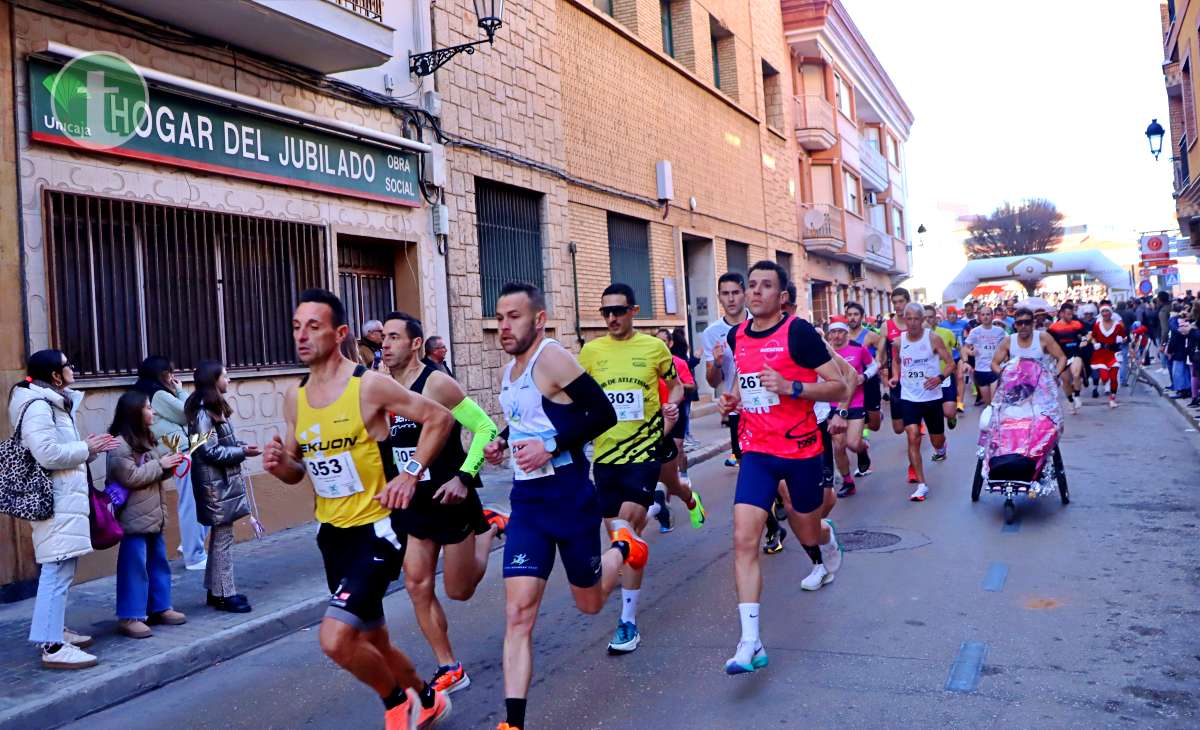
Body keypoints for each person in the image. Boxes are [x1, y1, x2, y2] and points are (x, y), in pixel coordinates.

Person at [261, 288, 456, 730]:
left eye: (314, 326)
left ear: (340, 332)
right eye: (297, 327)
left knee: (335, 639)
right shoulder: (297, 397)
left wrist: (408, 475)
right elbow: (297, 471)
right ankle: (426, 698)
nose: (303, 335)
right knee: (374, 641)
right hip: (333, 534)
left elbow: (439, 419)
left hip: (378, 529)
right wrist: (280, 465)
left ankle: (395, 703)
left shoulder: (368, 385)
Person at [483, 282, 645, 730]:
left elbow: (603, 414)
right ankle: (513, 722)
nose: (504, 326)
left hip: (570, 497)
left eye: (513, 316)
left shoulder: (551, 357)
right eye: (499, 317)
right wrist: (501, 443)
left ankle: (624, 548)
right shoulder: (510, 370)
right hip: (529, 502)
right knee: (518, 613)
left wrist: (550, 446)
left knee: (591, 603)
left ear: (538, 319)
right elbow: (523, 424)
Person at [719, 261, 852, 674]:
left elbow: (840, 384)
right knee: (744, 539)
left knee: (807, 527)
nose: (754, 292)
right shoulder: (735, 334)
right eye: (751, 285)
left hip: (801, 450)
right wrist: (734, 398)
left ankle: (826, 542)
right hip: (757, 450)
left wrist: (792, 387)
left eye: (765, 287)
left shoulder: (798, 333)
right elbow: (746, 377)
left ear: (781, 298)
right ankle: (750, 641)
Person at [379, 311, 503, 695]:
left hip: (450, 496)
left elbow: (486, 429)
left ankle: (489, 529)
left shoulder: (436, 384)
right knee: (416, 585)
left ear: (415, 344)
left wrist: (465, 477)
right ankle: (449, 666)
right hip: (413, 502)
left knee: (459, 590)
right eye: (383, 337)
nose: (385, 343)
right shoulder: (380, 389)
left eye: (394, 337)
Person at [579, 282, 693, 653]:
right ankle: (662, 503)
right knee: (618, 536)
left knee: (624, 536)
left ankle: (627, 621)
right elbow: (575, 396)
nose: (611, 318)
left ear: (634, 311)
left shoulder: (654, 347)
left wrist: (671, 404)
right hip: (606, 458)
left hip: (644, 453)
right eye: (605, 312)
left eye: (618, 311)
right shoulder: (591, 352)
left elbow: (676, 386)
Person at [7, 350, 119, 669]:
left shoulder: (55, 403)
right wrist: (87, 447)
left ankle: (54, 631)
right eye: (68, 365)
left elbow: (63, 455)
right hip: (54, 501)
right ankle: (53, 647)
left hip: (64, 500)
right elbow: (46, 453)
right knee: (56, 572)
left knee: (62, 570)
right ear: (56, 375)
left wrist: (89, 451)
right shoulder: (39, 406)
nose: (73, 369)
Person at [107, 391, 188, 639]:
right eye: (148, 408)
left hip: (154, 514)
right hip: (133, 517)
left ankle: (160, 607)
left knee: (158, 563)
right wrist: (160, 465)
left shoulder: (146, 439)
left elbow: (151, 474)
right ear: (134, 413)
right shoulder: (120, 445)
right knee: (134, 566)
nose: (153, 412)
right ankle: (130, 615)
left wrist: (168, 465)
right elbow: (130, 477)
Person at [187, 360, 260, 614]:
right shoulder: (202, 412)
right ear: (213, 380)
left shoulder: (211, 409)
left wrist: (242, 447)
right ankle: (224, 593)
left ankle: (216, 590)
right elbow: (208, 450)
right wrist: (241, 452)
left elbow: (221, 443)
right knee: (223, 539)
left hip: (220, 482)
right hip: (215, 485)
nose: (228, 380)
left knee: (221, 537)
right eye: (225, 376)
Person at [132, 357, 208, 571]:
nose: (173, 377)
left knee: (200, 501)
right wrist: (181, 391)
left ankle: (191, 545)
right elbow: (188, 413)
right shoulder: (158, 395)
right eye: (170, 372)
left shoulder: (148, 392)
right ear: (160, 374)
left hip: (177, 451)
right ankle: (194, 556)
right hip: (180, 452)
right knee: (192, 503)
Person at [889, 303, 954, 501]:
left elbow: (951, 363)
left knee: (937, 439)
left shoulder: (932, 338)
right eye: (909, 319)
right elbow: (896, 362)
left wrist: (940, 378)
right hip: (909, 397)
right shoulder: (899, 342)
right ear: (905, 320)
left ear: (922, 320)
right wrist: (894, 376)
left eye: (916, 319)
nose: (913, 323)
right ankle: (922, 484)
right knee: (913, 435)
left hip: (932, 397)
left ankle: (941, 448)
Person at [650, 327, 706, 534]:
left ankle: (690, 499)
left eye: (664, 342)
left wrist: (678, 385)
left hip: (674, 416)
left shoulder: (678, 363)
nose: (659, 345)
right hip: (651, 422)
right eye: (657, 341)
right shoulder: (647, 363)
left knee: (670, 480)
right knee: (650, 476)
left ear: (670, 344)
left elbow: (690, 386)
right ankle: (663, 509)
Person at [702, 273, 749, 468]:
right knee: (747, 465)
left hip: (767, 405)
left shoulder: (760, 321)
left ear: (744, 294)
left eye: (736, 292)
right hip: (737, 410)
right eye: (725, 293)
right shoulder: (711, 333)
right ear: (719, 296)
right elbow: (713, 382)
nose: (731, 298)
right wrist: (718, 363)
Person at [825, 316, 873, 497]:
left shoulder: (858, 349)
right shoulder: (825, 353)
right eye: (833, 332)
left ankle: (862, 450)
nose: (836, 336)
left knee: (853, 443)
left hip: (856, 401)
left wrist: (865, 377)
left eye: (840, 332)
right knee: (838, 446)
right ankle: (848, 482)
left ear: (846, 333)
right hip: (832, 404)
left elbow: (873, 365)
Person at [845, 302, 883, 468]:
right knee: (850, 423)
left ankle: (874, 416)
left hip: (868, 381)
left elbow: (882, 344)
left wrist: (880, 361)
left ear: (861, 317)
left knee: (874, 425)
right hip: (850, 385)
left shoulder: (869, 336)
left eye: (855, 314)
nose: (852, 318)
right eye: (849, 315)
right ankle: (861, 449)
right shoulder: (842, 336)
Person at [962, 304, 1006, 407]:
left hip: (995, 369)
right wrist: (970, 353)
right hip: (981, 370)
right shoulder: (975, 331)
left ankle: (997, 421)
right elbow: (965, 348)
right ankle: (990, 420)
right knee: (988, 404)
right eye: (983, 314)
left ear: (992, 315)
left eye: (988, 314)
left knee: (995, 402)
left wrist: (1005, 358)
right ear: (979, 316)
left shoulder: (1000, 331)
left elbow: (1005, 347)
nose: (985, 317)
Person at [883, 288, 913, 440]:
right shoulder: (886, 325)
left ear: (908, 301)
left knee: (911, 429)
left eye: (901, 301)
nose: (898, 305)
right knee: (898, 428)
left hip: (916, 379)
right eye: (895, 302)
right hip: (896, 379)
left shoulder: (918, 323)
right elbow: (879, 354)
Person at [1048, 303, 1087, 414]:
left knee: (1076, 374)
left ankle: (1077, 396)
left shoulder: (1077, 324)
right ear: (1061, 314)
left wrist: (1084, 341)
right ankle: (1070, 401)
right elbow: (1050, 342)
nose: (1070, 316)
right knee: (1066, 381)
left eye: (1072, 314)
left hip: (1075, 353)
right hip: (1062, 357)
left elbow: (1086, 335)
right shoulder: (1053, 327)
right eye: (1068, 314)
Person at [1088, 304, 1127, 409]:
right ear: (1101, 314)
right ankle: (1104, 383)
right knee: (1105, 377)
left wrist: (1121, 339)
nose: (1105, 313)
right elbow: (1092, 336)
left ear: (1111, 313)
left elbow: (1125, 337)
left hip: (1114, 353)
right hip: (1101, 354)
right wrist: (1094, 343)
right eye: (1103, 312)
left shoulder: (1117, 325)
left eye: (1107, 311)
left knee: (1114, 378)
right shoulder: (1097, 325)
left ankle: (1112, 398)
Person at [939, 306, 969, 412]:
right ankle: (952, 399)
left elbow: (969, 333)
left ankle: (960, 403)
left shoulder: (963, 323)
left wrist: (968, 346)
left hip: (959, 355)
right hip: (948, 358)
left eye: (954, 313)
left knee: (960, 377)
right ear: (947, 315)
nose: (952, 315)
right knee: (953, 381)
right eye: (950, 313)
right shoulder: (942, 325)